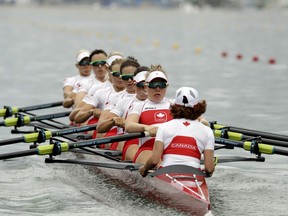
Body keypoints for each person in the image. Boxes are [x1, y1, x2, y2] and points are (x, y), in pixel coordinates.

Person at [139, 87, 215, 177]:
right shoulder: (207, 131)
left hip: (166, 172)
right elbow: (209, 169)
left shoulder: (163, 127)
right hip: (194, 174)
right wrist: (207, 171)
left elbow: (154, 161)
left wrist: (144, 169)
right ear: (198, 106)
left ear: (174, 106)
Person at [125, 65, 173, 164]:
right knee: (158, 163)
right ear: (146, 87)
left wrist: (202, 122)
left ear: (167, 86)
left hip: (171, 147)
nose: (158, 89)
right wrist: (147, 128)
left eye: (161, 85)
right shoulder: (139, 105)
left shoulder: (174, 105)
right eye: (153, 85)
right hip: (149, 147)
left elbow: (198, 120)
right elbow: (129, 126)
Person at [96, 66, 149, 153]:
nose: (145, 88)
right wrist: (113, 121)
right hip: (130, 140)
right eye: (141, 85)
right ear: (136, 83)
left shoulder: (168, 103)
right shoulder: (121, 100)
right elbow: (100, 128)